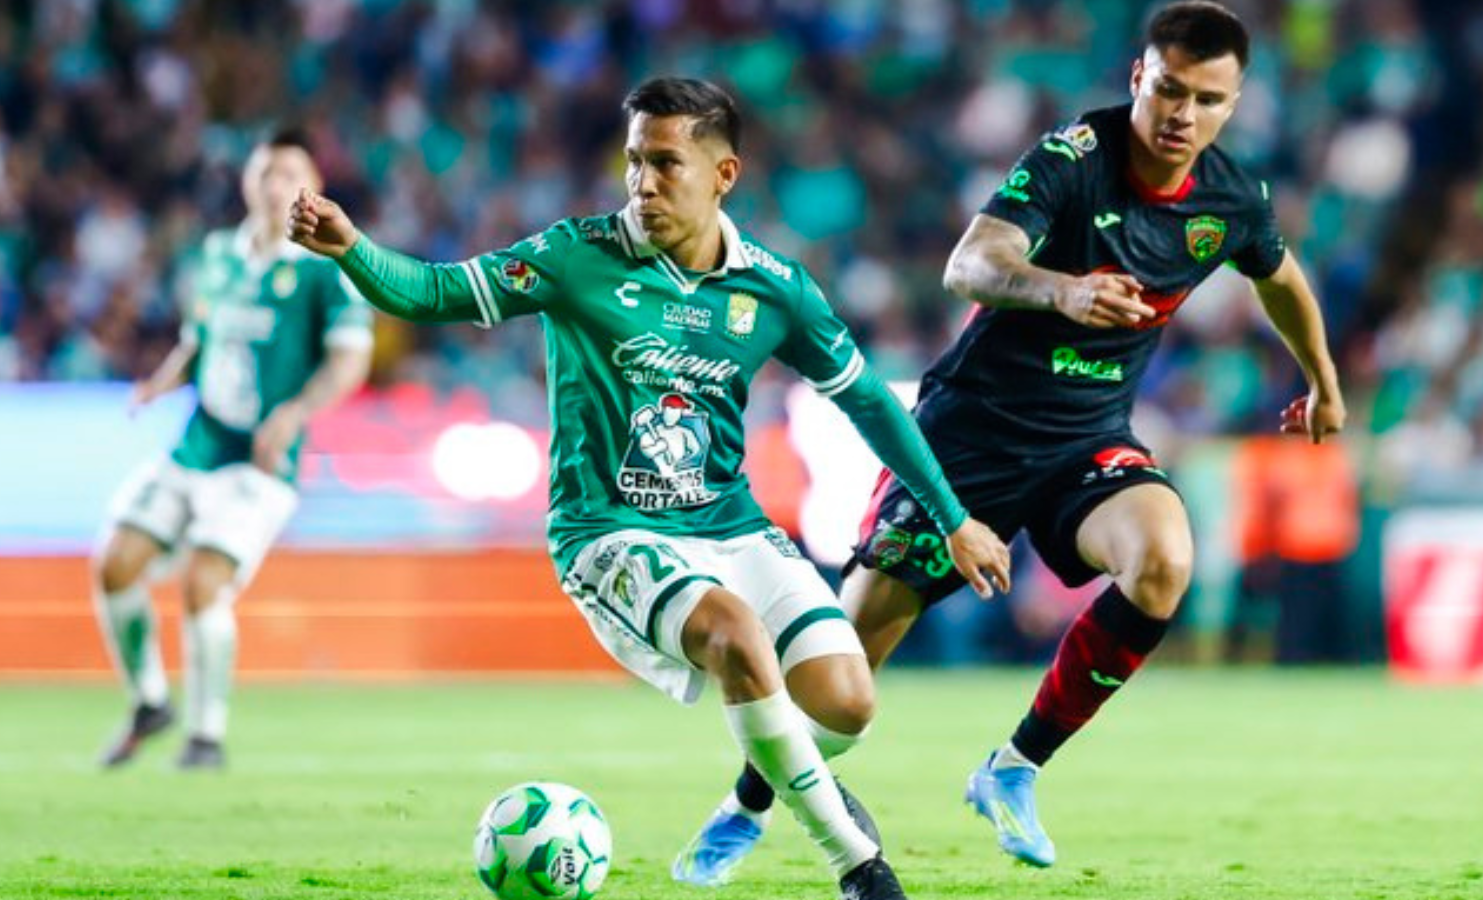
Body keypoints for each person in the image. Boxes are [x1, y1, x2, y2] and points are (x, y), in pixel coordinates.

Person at [286, 77, 1011, 900]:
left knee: (846, 702)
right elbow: (432, 291)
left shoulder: (773, 287)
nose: (643, 184)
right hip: (610, 531)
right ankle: (858, 865)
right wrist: (351, 246)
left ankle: (757, 796)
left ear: (723, 175)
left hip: (730, 526)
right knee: (736, 637)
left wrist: (953, 518)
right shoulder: (577, 255)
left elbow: (869, 401)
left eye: (666, 163)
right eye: (633, 162)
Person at [685, 0, 1346, 874]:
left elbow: (1280, 276)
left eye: (1210, 100)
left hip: (1086, 440)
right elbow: (971, 264)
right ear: (1138, 78)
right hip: (970, 437)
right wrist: (1061, 291)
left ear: (1234, 102)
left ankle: (1014, 768)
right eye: (1172, 91)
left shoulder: (1230, 196)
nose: (1184, 116)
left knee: (1164, 560)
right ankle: (749, 803)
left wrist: (1324, 383)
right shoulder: (1074, 159)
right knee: (842, 685)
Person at [93, 130, 374, 770]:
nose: (275, 185)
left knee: (203, 582)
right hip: (197, 442)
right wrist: (161, 381)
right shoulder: (218, 254)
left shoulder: (325, 270)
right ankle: (148, 701)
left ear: (312, 190)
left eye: (289, 175)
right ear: (248, 181)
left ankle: (206, 736)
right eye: (265, 172)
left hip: (261, 461)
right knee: (115, 563)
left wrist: (294, 413)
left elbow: (348, 361)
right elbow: (199, 340)